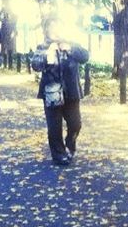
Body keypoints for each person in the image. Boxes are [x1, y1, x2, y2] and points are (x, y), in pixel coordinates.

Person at [31, 18, 89, 165]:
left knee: (75, 123)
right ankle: (59, 154)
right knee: (54, 126)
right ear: (47, 31)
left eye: (58, 27)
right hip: (52, 92)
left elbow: (85, 57)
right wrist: (46, 55)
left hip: (71, 90)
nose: (55, 31)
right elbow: (35, 65)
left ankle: (70, 144)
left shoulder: (72, 44)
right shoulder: (43, 46)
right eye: (52, 28)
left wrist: (69, 48)